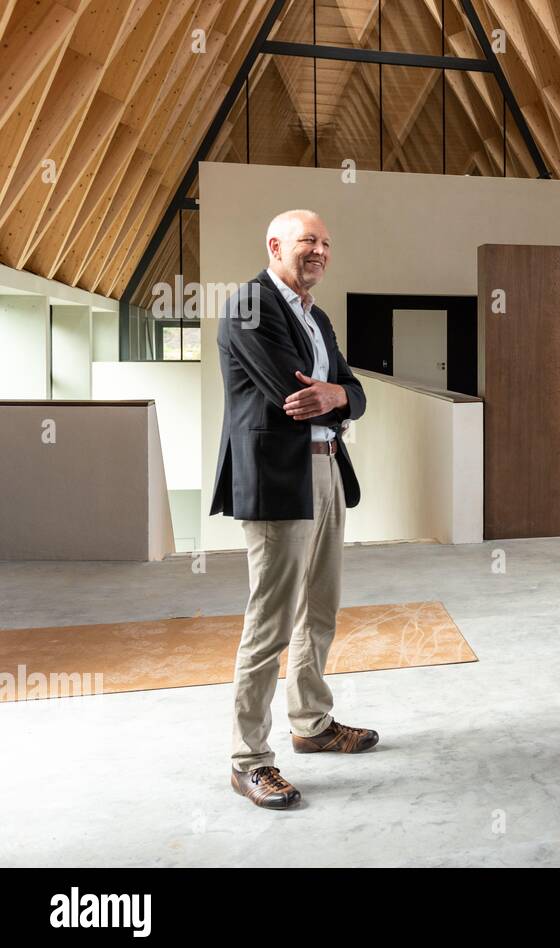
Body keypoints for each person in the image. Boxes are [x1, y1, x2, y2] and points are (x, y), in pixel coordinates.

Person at [211, 209, 375, 809]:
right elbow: (294, 394)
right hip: (281, 476)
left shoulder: (316, 316)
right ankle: (248, 758)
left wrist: (340, 396)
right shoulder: (250, 306)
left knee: (320, 608)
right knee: (271, 620)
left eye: (327, 243)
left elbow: (351, 392)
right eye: (309, 240)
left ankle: (311, 723)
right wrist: (338, 397)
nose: (320, 251)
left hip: (327, 467)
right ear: (275, 244)